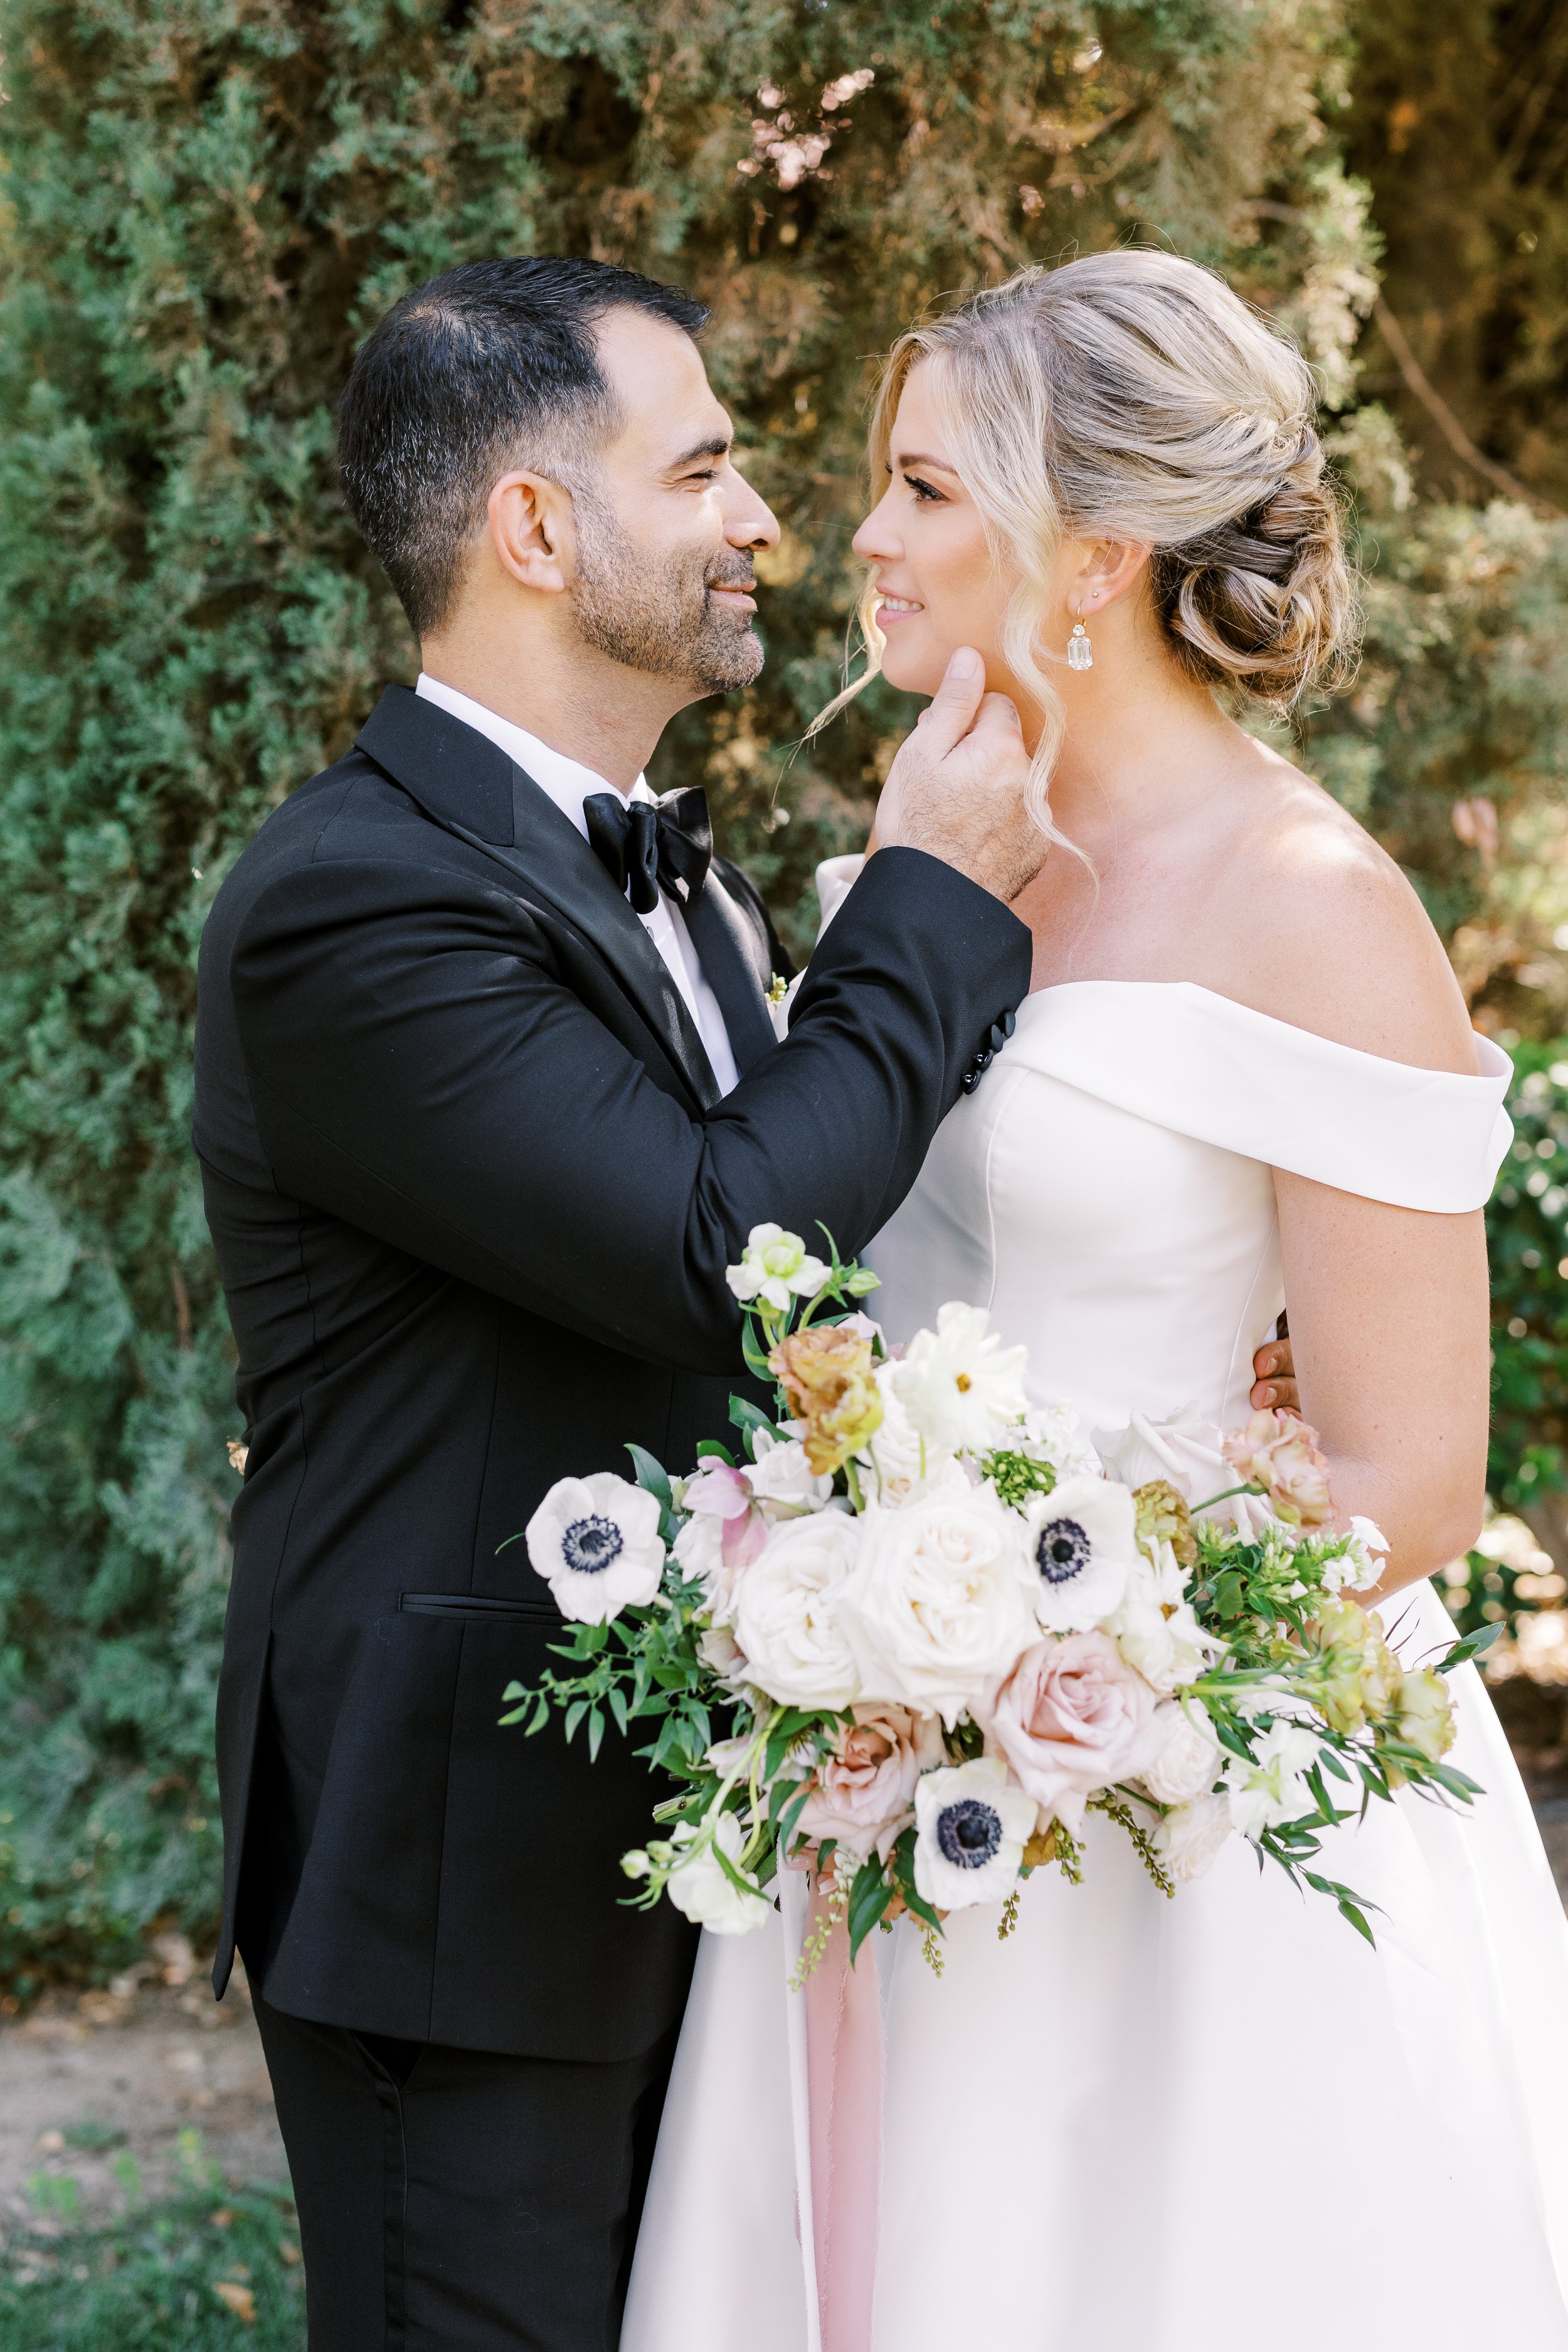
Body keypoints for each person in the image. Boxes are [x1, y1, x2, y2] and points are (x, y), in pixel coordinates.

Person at [623, 251, 1568, 2352]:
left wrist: (1058, 1657)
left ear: (1098, 559)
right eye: (881, 480)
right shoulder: (903, 875)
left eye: (927, 488)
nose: (859, 532)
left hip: (1201, 1818)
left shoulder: (1308, 905)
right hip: (883, 1752)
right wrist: (862, 1614)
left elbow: (1406, 1482)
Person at [193, 255, 1061, 2351]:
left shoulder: (665, 871)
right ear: (533, 529)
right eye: (707, 467)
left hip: (699, 1846)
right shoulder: (352, 902)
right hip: (470, 1892)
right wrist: (933, 895)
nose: (762, 519)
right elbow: (719, 1251)